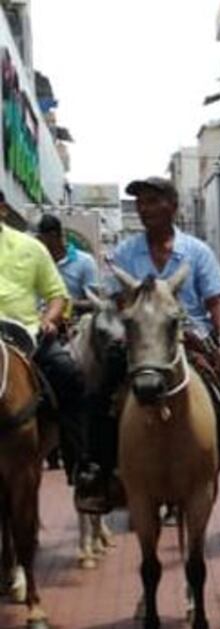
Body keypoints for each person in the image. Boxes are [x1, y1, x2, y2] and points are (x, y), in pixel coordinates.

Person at [77, 176, 220, 509]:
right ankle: (99, 472)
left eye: (152, 201)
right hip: (140, 338)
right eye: (140, 203)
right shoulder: (125, 253)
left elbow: (216, 302)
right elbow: (116, 300)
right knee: (100, 391)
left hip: (191, 334)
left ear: (172, 205)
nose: (145, 209)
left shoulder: (197, 251)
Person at [0, 192, 86, 479]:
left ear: (2, 209)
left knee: (69, 374)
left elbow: (57, 295)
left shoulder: (31, 248)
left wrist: (49, 320)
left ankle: (81, 466)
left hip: (26, 335)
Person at [37, 214, 98, 307]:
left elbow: (94, 302)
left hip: (74, 317)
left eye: (39, 239)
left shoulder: (85, 261)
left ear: (52, 236)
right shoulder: (35, 260)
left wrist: (67, 304)